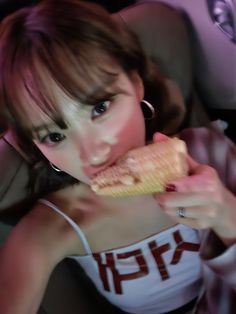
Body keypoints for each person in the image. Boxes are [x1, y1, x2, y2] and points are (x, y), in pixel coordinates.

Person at [0, 1, 235, 313]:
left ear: (136, 85)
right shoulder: (49, 230)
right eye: (54, 136)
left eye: (100, 108)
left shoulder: (210, 152)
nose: (93, 153)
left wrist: (227, 216)